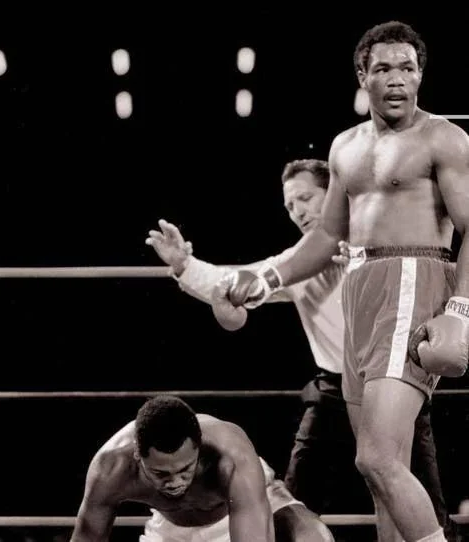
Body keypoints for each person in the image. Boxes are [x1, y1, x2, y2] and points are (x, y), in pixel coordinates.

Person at [220, 20, 469, 542]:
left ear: (421, 75)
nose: (397, 79)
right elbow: (325, 236)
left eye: (407, 67)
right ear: (363, 76)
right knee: (381, 473)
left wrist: (459, 309)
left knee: (376, 457)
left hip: (414, 279)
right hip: (360, 286)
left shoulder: (444, 137)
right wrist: (265, 278)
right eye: (383, 68)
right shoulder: (344, 147)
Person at [145, 159, 456, 539]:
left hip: (393, 385)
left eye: (306, 198)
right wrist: (184, 265)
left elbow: (434, 279)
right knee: (290, 504)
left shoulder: (386, 245)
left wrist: (363, 264)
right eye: (290, 206)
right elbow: (235, 284)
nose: (299, 211)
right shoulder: (296, 265)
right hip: (331, 392)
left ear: (334, 195)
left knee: (422, 502)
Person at [70, 394, 334, 542]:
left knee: (313, 536)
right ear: (138, 455)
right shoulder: (111, 468)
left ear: (198, 447)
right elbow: (86, 539)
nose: (175, 482)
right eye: (161, 473)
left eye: (185, 470)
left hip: (244, 512)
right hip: (172, 529)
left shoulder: (230, 456)